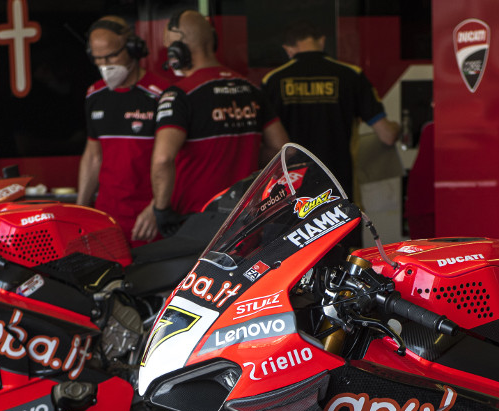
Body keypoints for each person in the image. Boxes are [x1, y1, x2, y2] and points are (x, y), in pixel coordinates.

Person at [132, 10, 289, 242]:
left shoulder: (180, 94)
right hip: (245, 219)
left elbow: (163, 159)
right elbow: (281, 148)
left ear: (178, 51)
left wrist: (161, 210)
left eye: (169, 48)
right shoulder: (250, 89)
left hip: (196, 222)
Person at [262, 20, 400, 196]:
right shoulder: (351, 75)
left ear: (288, 49)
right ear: (322, 41)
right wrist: (398, 127)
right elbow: (388, 135)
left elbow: (266, 145)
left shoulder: (272, 81)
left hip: (290, 187)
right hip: (338, 185)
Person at [76, 16, 167, 244]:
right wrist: (80, 211)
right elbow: (93, 156)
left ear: (133, 48)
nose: (106, 65)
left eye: (112, 56)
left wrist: (157, 208)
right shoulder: (94, 94)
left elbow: (177, 160)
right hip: (107, 218)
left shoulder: (162, 94)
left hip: (148, 220)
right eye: (98, 59)